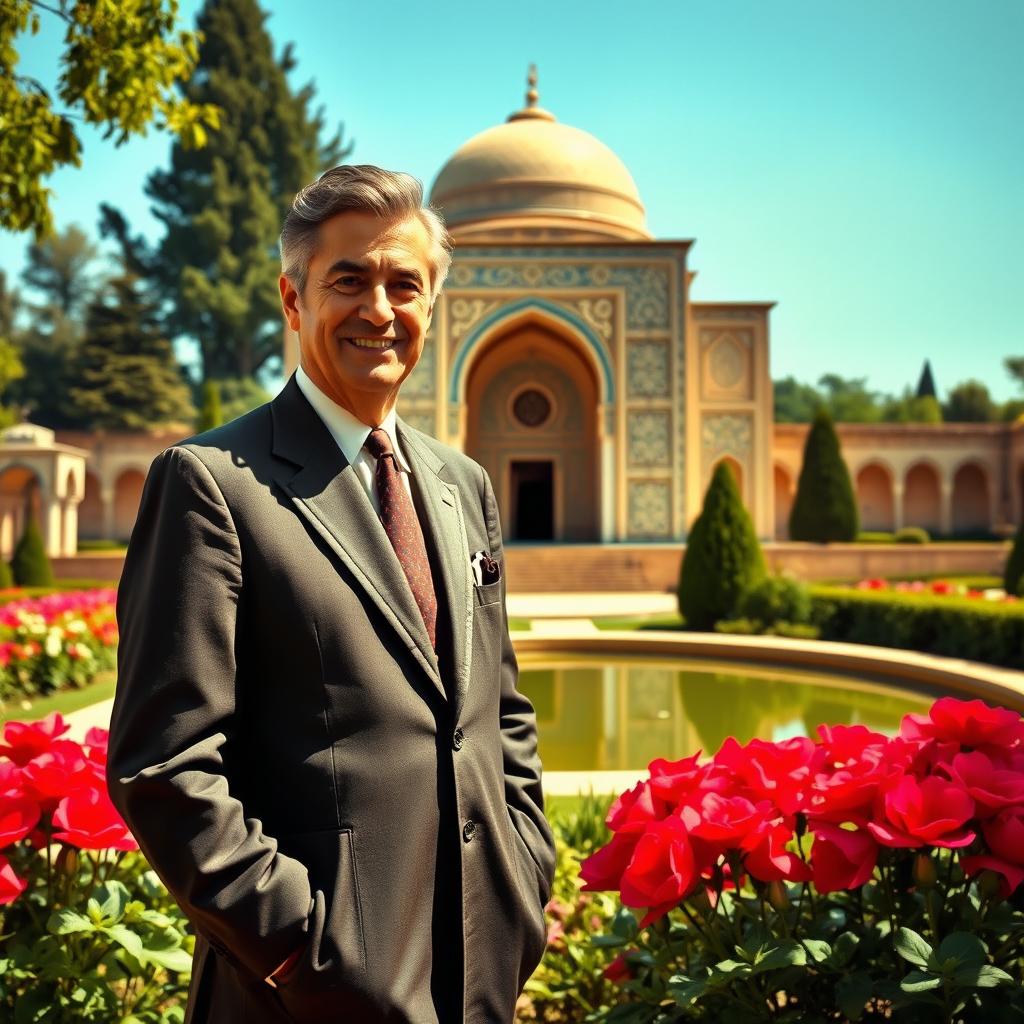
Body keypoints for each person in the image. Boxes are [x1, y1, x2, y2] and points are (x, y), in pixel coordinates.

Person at [106, 164, 555, 1024]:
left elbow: (498, 714)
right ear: (293, 296)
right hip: (302, 1000)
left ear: (432, 306)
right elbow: (164, 766)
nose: (379, 310)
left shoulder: (462, 486)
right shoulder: (214, 485)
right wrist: (307, 960)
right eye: (348, 280)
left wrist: (522, 888)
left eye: (404, 284)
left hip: (474, 982)